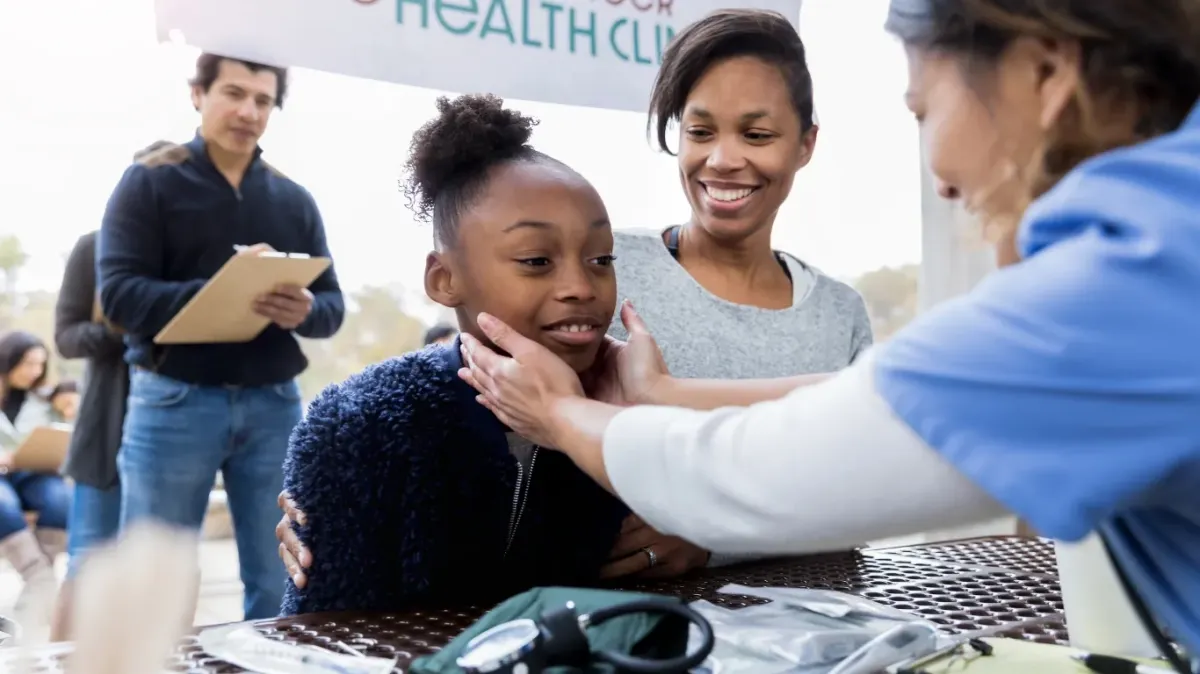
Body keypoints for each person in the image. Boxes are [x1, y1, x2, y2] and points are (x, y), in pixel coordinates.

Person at [458, 0, 1200, 664]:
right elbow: (887, 399)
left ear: (1044, 75)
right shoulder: (1169, 234)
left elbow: (760, 474)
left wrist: (562, 413)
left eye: (922, 110)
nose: (939, 176)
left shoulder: (1134, 276)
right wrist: (664, 393)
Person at [277, 8, 874, 585]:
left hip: (831, 624)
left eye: (758, 133)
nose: (723, 158)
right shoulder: (598, 275)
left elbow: (866, 488)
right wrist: (340, 489)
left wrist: (712, 533)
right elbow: (452, 386)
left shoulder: (840, 314)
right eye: (699, 131)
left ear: (805, 144)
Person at [278, 94, 628, 615]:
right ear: (444, 280)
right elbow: (325, 636)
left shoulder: (622, 419)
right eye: (536, 260)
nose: (581, 285)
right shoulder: (359, 426)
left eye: (600, 258)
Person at [96, 53, 345, 620]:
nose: (248, 111)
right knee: (153, 582)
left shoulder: (293, 199)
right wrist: (220, 290)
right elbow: (117, 296)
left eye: (262, 100)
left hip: (273, 405)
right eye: (234, 93)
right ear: (197, 94)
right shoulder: (148, 181)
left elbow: (331, 309)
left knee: (281, 571)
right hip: (172, 400)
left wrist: (303, 307)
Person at [0, 331, 70, 614]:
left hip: (36, 473)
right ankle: (40, 581)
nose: (35, 371)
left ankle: (36, 594)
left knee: (60, 500)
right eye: (28, 363)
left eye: (40, 364)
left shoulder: (46, 399)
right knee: (3, 505)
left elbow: (61, 435)